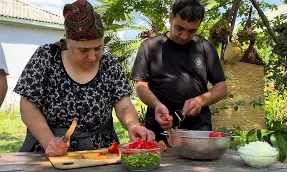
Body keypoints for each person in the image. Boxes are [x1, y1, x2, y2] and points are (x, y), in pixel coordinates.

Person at [13, 0, 155, 157]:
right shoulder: (47, 57)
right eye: (84, 50)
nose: (93, 56)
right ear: (66, 41)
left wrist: (133, 125)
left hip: (100, 154)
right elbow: (28, 107)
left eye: (98, 48)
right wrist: (49, 141)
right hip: (49, 152)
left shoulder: (110, 64)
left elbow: (124, 107)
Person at [131, 0, 227, 142]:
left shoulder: (206, 48)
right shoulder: (149, 47)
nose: (184, 36)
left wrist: (200, 101)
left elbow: (222, 87)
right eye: (179, 28)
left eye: (191, 31)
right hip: (158, 130)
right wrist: (157, 105)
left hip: (198, 130)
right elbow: (141, 86)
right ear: (171, 17)